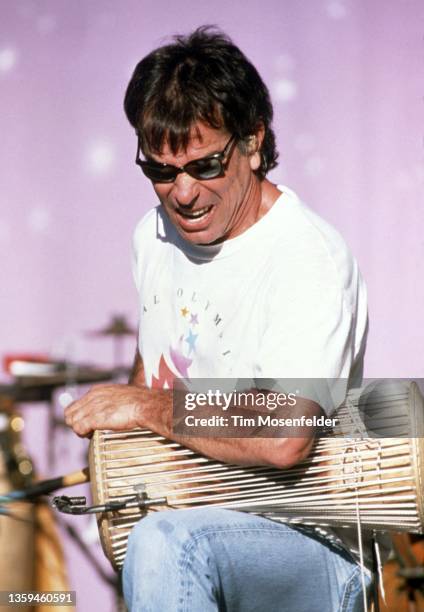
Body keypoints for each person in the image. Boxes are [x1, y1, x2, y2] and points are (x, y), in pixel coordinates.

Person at [65, 26, 372, 611]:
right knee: (158, 540)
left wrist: (146, 410)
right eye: (160, 170)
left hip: (315, 544)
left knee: (165, 545)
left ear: (253, 143)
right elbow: (152, 370)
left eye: (204, 165)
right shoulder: (152, 237)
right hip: (190, 526)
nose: (181, 192)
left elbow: (286, 432)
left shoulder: (307, 257)